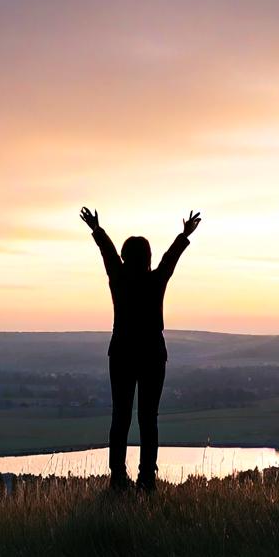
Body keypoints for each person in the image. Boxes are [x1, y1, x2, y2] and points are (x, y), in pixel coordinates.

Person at [80, 206, 201, 492]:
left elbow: (107, 255)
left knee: (120, 415)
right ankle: (147, 479)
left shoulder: (119, 280)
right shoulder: (155, 281)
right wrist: (184, 235)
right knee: (149, 418)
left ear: (125, 258)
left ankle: (118, 478)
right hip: (152, 355)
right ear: (148, 258)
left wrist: (97, 229)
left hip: (121, 352)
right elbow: (170, 260)